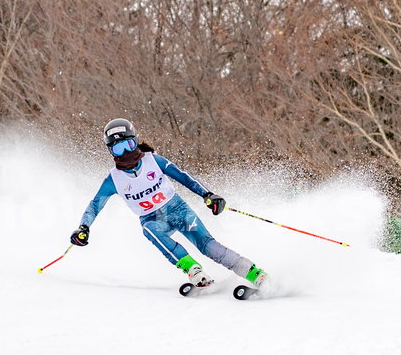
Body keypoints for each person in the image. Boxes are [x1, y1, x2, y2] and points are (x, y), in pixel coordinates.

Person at [69, 118, 267, 290]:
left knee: (208, 246)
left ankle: (254, 274)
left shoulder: (153, 161)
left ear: (136, 141)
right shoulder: (114, 180)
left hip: (178, 210)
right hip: (153, 219)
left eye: (128, 145)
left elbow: (184, 177)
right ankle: (193, 270)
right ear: (111, 151)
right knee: (149, 230)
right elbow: (95, 205)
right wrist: (83, 227)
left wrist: (208, 195)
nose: (125, 152)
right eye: (118, 148)